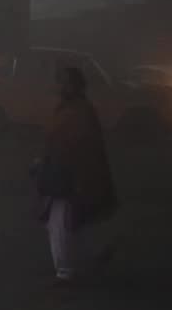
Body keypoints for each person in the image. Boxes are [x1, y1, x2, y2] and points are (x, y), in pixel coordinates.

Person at [32, 65, 117, 282]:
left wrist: (56, 166)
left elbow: (79, 146)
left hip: (69, 176)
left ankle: (66, 271)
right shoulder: (72, 109)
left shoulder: (77, 111)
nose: (57, 86)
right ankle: (89, 256)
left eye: (62, 82)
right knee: (69, 221)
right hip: (65, 173)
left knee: (60, 221)